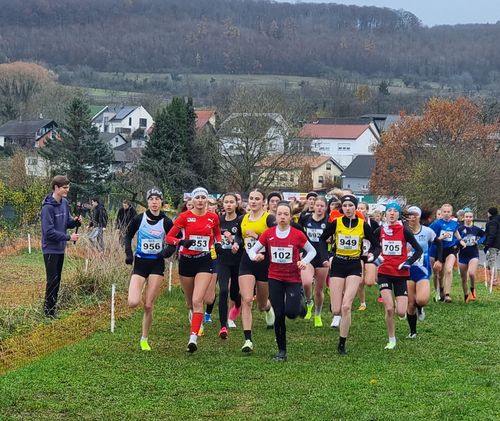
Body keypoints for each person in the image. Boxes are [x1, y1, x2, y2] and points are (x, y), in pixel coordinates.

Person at [247, 201, 317, 361]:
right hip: (275, 278)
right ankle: (281, 351)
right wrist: (254, 256)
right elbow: (252, 249)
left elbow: (311, 251)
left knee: (291, 313)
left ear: (291, 217)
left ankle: (299, 308)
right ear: (275, 215)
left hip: (292, 278)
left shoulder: (297, 234)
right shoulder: (269, 233)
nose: (282, 217)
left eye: (286, 214)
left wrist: (304, 262)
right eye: (279, 214)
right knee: (279, 315)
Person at [318, 195, 380, 355]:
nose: (347, 208)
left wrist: (371, 255)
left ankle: (342, 343)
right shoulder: (336, 223)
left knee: (346, 306)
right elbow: (322, 239)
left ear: (355, 208)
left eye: (350, 205)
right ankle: (337, 317)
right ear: (342, 208)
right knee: (336, 308)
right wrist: (327, 257)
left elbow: (376, 244)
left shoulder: (362, 225)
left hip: (354, 264)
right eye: (344, 205)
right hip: (338, 264)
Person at [166, 187, 222, 353]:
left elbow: (217, 234)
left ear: (206, 200)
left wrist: (218, 243)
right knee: (190, 302)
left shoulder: (213, 217)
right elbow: (169, 237)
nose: (200, 200)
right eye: (197, 197)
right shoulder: (184, 217)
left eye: (203, 198)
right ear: (192, 199)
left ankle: (193, 338)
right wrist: (181, 243)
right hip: (186, 262)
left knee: (198, 300)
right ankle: (193, 316)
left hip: (204, 261)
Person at [125, 188, 174, 351]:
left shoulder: (167, 222)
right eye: (151, 199)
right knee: (133, 302)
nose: (154, 202)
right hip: (140, 264)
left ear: (161, 202)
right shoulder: (139, 219)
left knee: (148, 305)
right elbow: (127, 236)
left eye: (157, 199)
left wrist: (165, 253)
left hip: (156, 265)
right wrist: (128, 253)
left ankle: (144, 338)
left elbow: (174, 242)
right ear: (147, 202)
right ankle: (138, 291)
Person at [373, 203, 422, 350]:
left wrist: (408, 263)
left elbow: (418, 250)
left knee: (401, 311)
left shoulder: (404, 230)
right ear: (385, 215)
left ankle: (402, 309)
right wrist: (375, 257)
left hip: (400, 274)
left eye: (395, 211)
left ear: (398, 215)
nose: (392, 213)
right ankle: (392, 339)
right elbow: (372, 246)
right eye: (389, 211)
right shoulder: (379, 230)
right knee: (389, 309)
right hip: (384, 273)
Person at [235, 188, 276, 353]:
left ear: (263, 202)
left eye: (257, 199)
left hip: (265, 262)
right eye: (251, 198)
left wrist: (258, 237)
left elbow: (276, 238)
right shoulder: (242, 219)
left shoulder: (269, 218)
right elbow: (239, 235)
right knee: (246, 299)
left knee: (260, 303)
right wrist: (236, 243)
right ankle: (248, 340)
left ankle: (267, 308)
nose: (253, 201)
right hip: (247, 261)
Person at [41, 176, 81, 317]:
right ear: (56, 188)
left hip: (60, 248)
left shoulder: (64, 203)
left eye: (68, 187)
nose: (67, 190)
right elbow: (49, 232)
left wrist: (75, 222)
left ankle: (52, 309)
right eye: (65, 188)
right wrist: (69, 237)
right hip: (50, 249)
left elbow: (67, 223)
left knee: (57, 280)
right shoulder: (47, 208)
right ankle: (48, 311)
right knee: (52, 280)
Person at [405, 206, 442, 338]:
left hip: (423, 271)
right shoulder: (403, 231)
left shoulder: (427, 231)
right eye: (410, 215)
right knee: (410, 304)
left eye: (415, 215)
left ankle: (420, 308)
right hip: (407, 271)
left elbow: (439, 243)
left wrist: (439, 260)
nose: (412, 217)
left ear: (419, 217)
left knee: (421, 300)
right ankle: (413, 332)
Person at [300, 196, 330, 326]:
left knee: (319, 290)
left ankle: (317, 314)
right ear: (313, 206)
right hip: (308, 256)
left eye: (322, 206)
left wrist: (330, 240)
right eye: (317, 205)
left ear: (326, 207)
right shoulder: (306, 219)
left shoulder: (329, 221)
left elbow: (334, 236)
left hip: (322, 257)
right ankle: (309, 302)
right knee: (306, 283)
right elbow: (299, 233)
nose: (319, 208)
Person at [217, 193, 244, 336]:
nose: (228, 204)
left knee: (234, 293)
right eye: (226, 202)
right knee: (223, 291)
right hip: (222, 261)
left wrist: (235, 242)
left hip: (238, 261)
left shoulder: (241, 220)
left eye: (231, 202)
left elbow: (243, 238)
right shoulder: (218, 220)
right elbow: (214, 239)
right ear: (223, 204)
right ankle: (223, 326)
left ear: (236, 204)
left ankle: (237, 306)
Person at [429, 204, 466, 303]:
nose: (446, 214)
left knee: (449, 270)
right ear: (441, 213)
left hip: (450, 249)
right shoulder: (436, 224)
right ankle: (440, 289)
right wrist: (442, 237)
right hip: (439, 250)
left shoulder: (454, 223)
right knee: (439, 274)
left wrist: (460, 240)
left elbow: (456, 232)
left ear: (451, 213)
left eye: (448, 212)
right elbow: (431, 239)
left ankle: (447, 294)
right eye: (444, 212)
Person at [457, 209, 485, 302]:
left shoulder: (476, 229)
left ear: (473, 218)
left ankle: (473, 288)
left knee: (472, 273)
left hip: (473, 254)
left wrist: (478, 241)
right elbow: (455, 238)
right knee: (463, 278)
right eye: (467, 217)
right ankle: (466, 295)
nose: (468, 218)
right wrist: (459, 242)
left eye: (470, 217)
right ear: (463, 218)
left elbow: (484, 236)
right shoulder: (459, 229)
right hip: (462, 256)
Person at [356, 201, 378, 311]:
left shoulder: (373, 224)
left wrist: (373, 252)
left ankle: (383, 287)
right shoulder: (353, 222)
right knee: (360, 281)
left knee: (369, 282)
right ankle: (362, 302)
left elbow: (378, 240)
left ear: (367, 210)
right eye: (358, 208)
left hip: (369, 253)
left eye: (362, 209)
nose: (360, 211)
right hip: (358, 254)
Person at [484, 207, 499, 286]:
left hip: (493, 244)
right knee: (493, 261)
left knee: (492, 261)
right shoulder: (497, 221)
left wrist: (487, 244)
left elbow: (492, 234)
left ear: (490, 213)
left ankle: (494, 280)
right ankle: (493, 279)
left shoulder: (492, 222)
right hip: (497, 244)